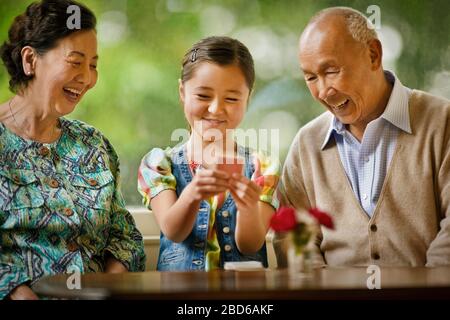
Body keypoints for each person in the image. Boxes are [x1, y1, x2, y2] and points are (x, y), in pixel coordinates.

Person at [279, 7, 450, 267]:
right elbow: (291, 235)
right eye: (311, 77)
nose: (324, 91)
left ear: (373, 55)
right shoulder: (306, 144)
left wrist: (426, 291)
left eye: (331, 71)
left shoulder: (442, 121)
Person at [0, 0, 145, 300]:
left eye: (93, 65)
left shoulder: (94, 145)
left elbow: (125, 239)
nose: (88, 78)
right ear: (30, 60)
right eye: (75, 61)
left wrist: (107, 291)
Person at [137, 36, 280, 271]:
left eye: (232, 99)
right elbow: (173, 231)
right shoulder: (159, 164)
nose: (215, 109)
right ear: (182, 92)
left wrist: (247, 207)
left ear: (248, 99)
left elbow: (249, 245)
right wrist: (192, 193)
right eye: (203, 96)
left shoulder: (262, 166)